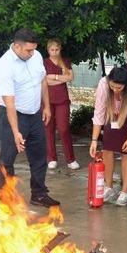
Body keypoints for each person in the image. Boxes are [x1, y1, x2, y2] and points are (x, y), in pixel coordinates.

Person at [0, 28, 59, 207]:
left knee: (39, 156)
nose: (32, 54)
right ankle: (4, 199)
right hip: (13, 116)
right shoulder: (4, 65)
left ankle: (38, 194)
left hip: (34, 115)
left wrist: (46, 106)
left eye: (33, 49)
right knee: (8, 158)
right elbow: (10, 103)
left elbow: (42, 81)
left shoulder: (36, 56)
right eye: (28, 50)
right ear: (16, 46)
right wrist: (16, 132)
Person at [90, 67, 127, 206]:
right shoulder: (104, 83)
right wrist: (94, 140)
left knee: (126, 152)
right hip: (112, 115)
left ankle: (125, 192)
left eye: (119, 87)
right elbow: (99, 113)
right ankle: (109, 187)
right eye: (113, 86)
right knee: (107, 150)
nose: (115, 90)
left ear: (126, 85)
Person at [43, 38, 79, 171]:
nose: (54, 52)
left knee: (64, 129)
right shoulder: (44, 63)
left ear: (60, 49)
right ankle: (51, 158)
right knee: (48, 129)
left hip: (62, 100)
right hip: (47, 100)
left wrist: (54, 77)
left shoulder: (65, 61)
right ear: (48, 50)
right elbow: (44, 81)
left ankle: (71, 159)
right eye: (52, 50)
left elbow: (70, 77)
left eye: (56, 49)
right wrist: (61, 78)